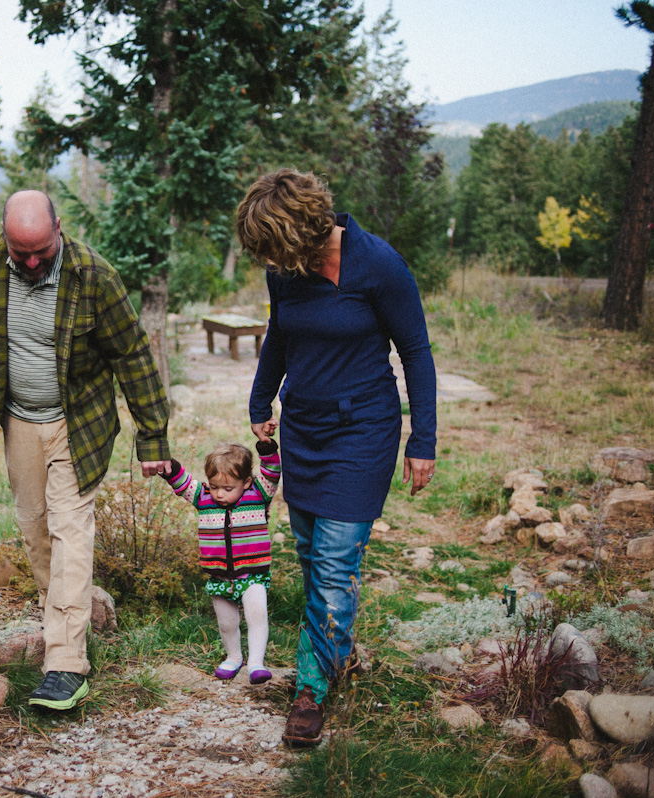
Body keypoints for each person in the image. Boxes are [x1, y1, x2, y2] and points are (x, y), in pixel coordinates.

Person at [0, 190, 172, 711]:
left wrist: (152, 436)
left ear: (59, 230)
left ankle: (66, 664)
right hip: (19, 420)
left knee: (70, 528)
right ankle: (67, 619)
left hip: (80, 421)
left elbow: (133, 355)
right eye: (18, 251)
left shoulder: (93, 276)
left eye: (40, 252)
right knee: (36, 530)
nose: (29, 262)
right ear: (3, 236)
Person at [237, 169, 437, 746]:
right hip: (305, 429)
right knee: (310, 553)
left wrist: (421, 439)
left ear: (305, 229)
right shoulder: (286, 269)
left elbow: (416, 351)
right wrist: (261, 399)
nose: (274, 263)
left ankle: (311, 689)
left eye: (278, 248)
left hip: (364, 431)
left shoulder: (379, 265)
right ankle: (338, 652)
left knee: (332, 561)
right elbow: (280, 334)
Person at [162, 441, 282, 684]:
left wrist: (267, 450)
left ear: (246, 482)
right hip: (219, 576)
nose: (219, 493)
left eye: (228, 488)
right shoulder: (203, 498)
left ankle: (256, 663)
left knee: (256, 615)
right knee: (227, 623)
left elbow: (272, 472)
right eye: (215, 486)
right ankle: (233, 657)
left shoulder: (258, 493)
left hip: (252, 574)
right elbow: (183, 483)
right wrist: (169, 469)